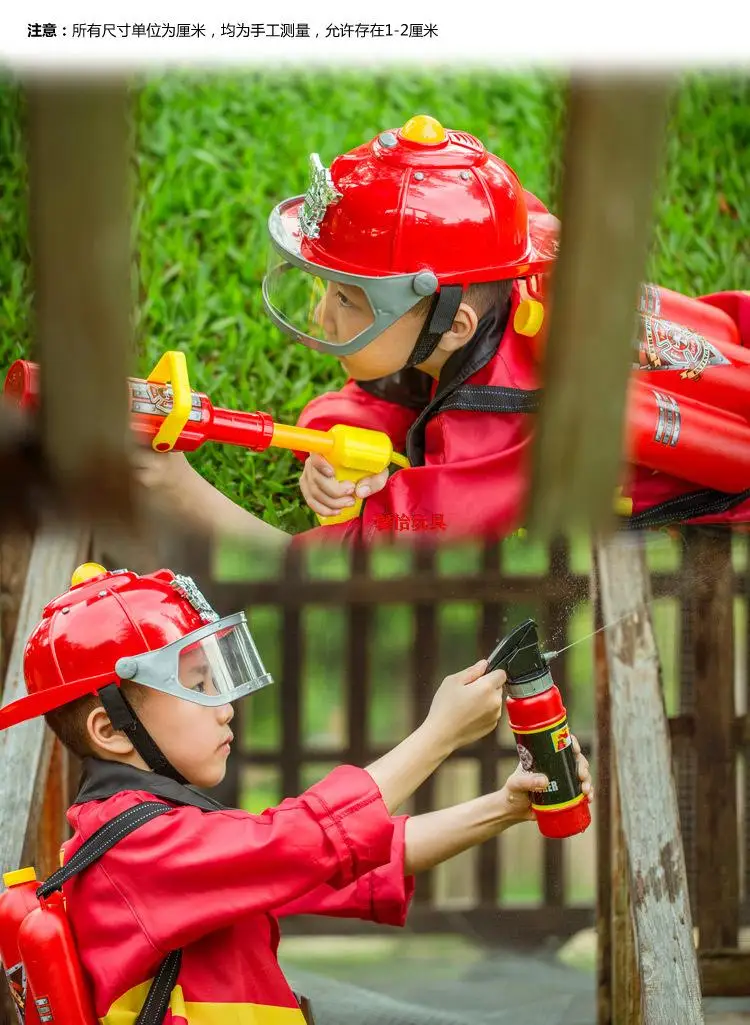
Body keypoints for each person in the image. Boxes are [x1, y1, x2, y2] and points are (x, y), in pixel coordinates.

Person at [0, 562, 593, 1023]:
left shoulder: (161, 836)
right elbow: (307, 841)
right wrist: (438, 736)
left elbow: (354, 861)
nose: (226, 708)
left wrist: (506, 806)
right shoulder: (139, 849)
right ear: (111, 730)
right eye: (198, 686)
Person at [136, 114, 750, 547]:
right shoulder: (501, 274)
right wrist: (333, 439)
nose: (323, 315)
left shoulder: (506, 433)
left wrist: (172, 484)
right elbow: (388, 389)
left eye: (349, 300)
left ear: (453, 325)